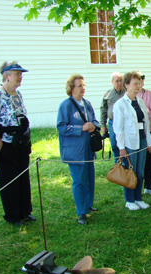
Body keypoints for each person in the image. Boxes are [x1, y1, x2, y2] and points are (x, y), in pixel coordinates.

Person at [0, 61, 35, 225]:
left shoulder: (17, 94)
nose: (20, 77)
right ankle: (13, 215)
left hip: (20, 144)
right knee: (10, 181)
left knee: (23, 178)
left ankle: (24, 211)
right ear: (7, 76)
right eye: (17, 74)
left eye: (21, 74)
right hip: (6, 145)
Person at [57, 74, 100, 225]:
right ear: (71, 88)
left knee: (89, 178)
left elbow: (94, 119)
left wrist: (94, 125)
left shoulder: (87, 103)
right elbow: (61, 126)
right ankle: (81, 212)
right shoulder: (66, 105)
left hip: (88, 148)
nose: (83, 88)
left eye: (84, 85)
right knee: (78, 180)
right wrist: (81, 128)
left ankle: (88, 204)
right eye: (79, 85)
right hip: (75, 150)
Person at [113, 72, 151, 211]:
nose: (138, 86)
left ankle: (138, 198)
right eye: (135, 83)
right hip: (129, 143)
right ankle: (129, 200)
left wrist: (149, 142)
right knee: (131, 171)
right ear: (126, 85)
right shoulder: (120, 104)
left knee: (140, 172)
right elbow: (118, 128)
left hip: (142, 140)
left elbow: (146, 123)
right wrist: (121, 147)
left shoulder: (140, 102)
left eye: (139, 83)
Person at [136, 71, 151, 196]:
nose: (140, 82)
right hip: (136, 133)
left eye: (142, 79)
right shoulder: (129, 95)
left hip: (149, 130)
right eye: (137, 80)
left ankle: (149, 186)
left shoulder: (149, 93)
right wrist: (146, 111)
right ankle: (136, 187)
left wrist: (142, 114)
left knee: (149, 158)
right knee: (137, 159)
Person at [100, 72, 125, 162]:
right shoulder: (108, 94)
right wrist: (103, 125)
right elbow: (103, 109)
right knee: (114, 145)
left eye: (121, 81)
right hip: (112, 122)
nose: (119, 83)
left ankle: (125, 165)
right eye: (117, 81)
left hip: (124, 123)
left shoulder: (127, 93)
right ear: (112, 82)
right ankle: (117, 164)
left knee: (123, 144)